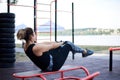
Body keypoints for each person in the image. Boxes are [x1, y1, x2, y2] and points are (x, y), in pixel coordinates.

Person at [17, 27, 94, 72]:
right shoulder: (36, 48)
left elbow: (45, 43)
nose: (36, 35)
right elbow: (52, 46)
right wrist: (63, 42)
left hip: (45, 65)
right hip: (53, 66)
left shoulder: (26, 47)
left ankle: (78, 51)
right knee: (68, 44)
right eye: (34, 34)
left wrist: (58, 42)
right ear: (31, 37)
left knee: (59, 47)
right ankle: (84, 52)